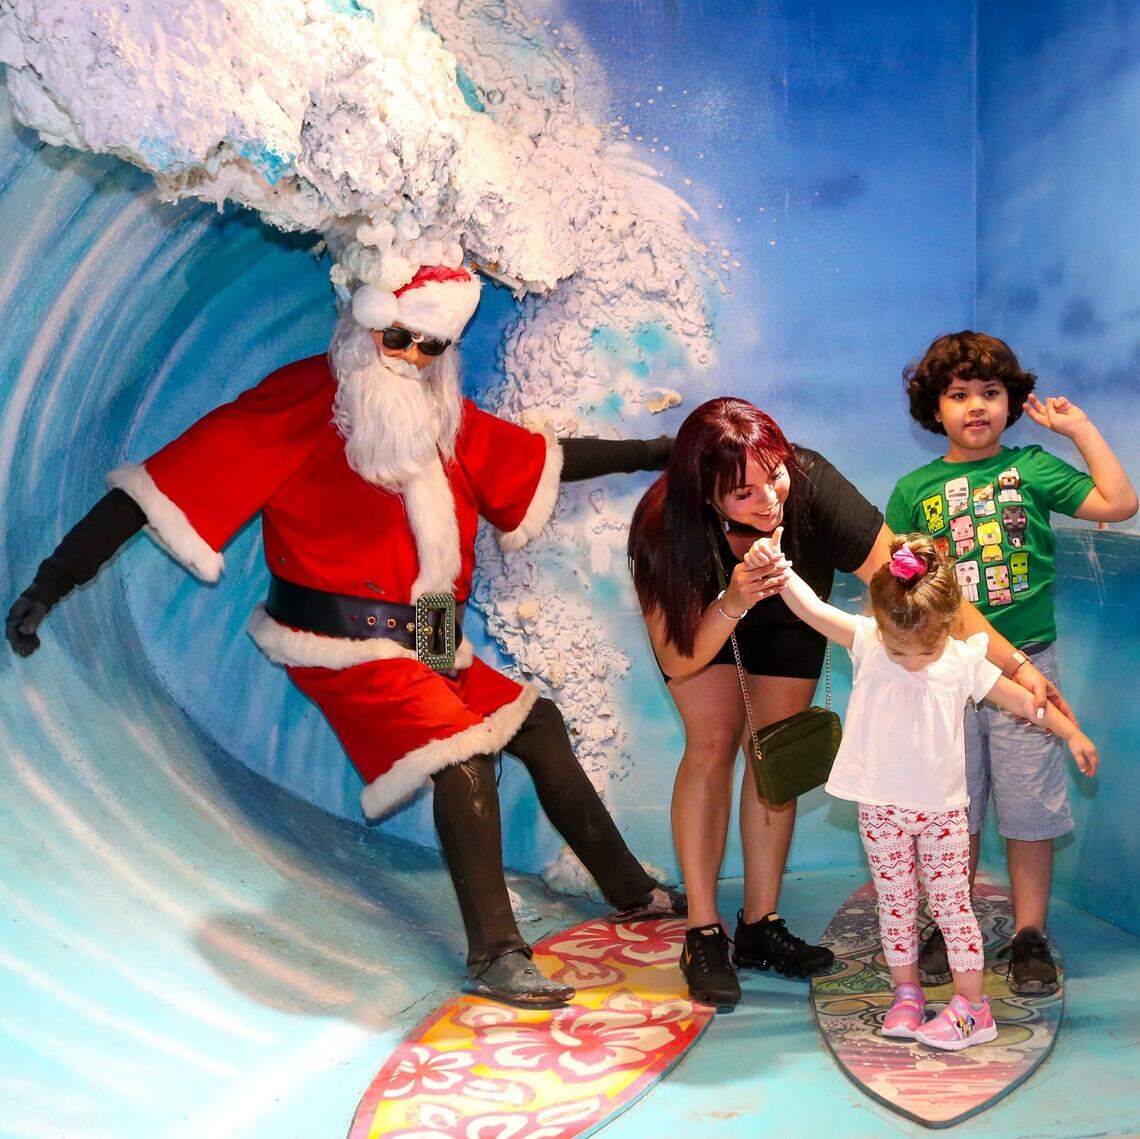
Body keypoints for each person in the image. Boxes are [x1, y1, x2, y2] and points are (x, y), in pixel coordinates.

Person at [6, 261, 684, 1009]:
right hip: (339, 637)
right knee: (458, 753)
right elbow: (162, 487)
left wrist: (653, 453)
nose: (412, 359)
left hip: (429, 632)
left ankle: (631, 891)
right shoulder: (302, 401)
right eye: (399, 338)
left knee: (539, 723)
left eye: (432, 347)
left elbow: (536, 459)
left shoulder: (441, 415)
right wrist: (51, 581)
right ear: (366, 325)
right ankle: (495, 953)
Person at [627, 397, 1062, 1008]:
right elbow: (679, 660)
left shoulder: (811, 483)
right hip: (706, 615)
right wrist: (732, 600)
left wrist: (1015, 663)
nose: (769, 499)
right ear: (705, 494)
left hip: (790, 614)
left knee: (774, 753)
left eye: (773, 475)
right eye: (743, 493)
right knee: (713, 741)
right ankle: (703, 929)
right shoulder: (660, 524)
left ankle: (760, 923)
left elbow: (916, 578)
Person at [745, 529, 1096, 1049]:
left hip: (942, 814)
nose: (912, 656)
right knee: (895, 903)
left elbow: (1022, 701)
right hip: (881, 809)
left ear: (947, 624)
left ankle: (974, 1009)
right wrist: (779, 567)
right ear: (881, 621)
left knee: (953, 907)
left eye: (926, 645)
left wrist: (1072, 733)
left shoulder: (961, 660)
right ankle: (907, 993)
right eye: (899, 644)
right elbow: (813, 611)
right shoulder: (868, 642)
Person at [886, 331, 1137, 994]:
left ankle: (1029, 933)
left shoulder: (1031, 468)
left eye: (991, 393)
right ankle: (951, 920)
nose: (976, 406)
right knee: (952, 804)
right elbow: (900, 581)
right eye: (959, 393)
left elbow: (1119, 503)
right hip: (945, 674)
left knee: (1030, 805)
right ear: (933, 408)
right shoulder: (915, 490)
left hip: (1028, 663)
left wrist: (1079, 428)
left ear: (1012, 401)